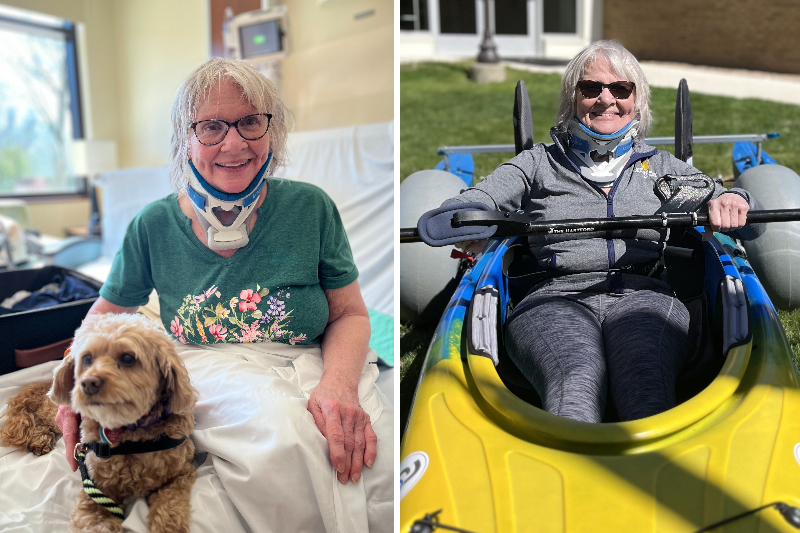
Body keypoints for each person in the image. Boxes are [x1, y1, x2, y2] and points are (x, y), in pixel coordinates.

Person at [55, 58, 391, 532]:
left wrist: (338, 384)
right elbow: (99, 319)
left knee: (382, 460)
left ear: (272, 134)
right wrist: (69, 389)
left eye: (251, 122)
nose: (233, 143)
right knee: (281, 437)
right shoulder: (152, 225)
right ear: (184, 141)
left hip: (315, 359)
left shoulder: (310, 208)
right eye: (210, 126)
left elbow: (351, 314)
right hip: (208, 365)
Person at [425, 40, 754, 424]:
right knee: (575, 380)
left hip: (645, 296)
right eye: (591, 87)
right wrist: (467, 217)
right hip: (553, 299)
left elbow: (727, 195)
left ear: (636, 101)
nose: (605, 99)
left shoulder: (663, 167)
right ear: (573, 96)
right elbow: (469, 203)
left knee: (644, 380)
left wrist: (732, 198)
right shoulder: (536, 164)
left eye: (620, 89)